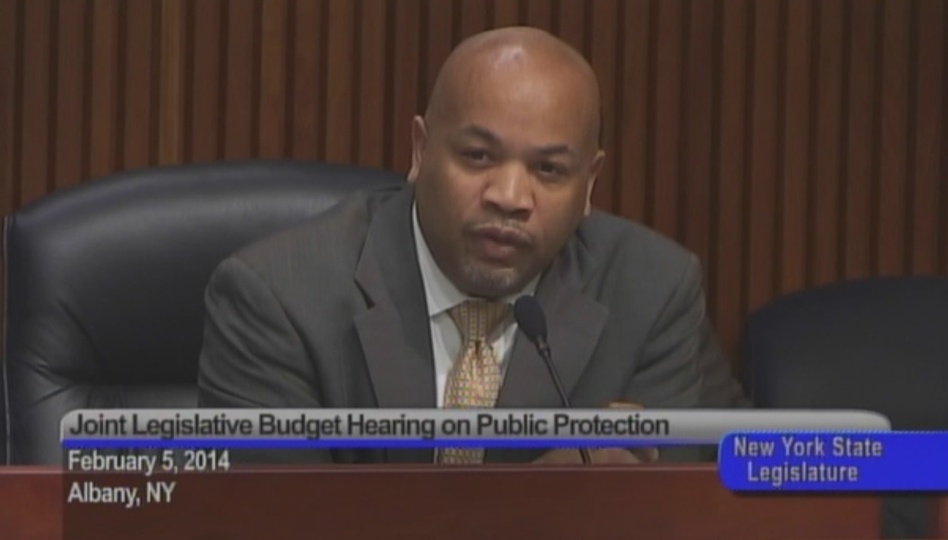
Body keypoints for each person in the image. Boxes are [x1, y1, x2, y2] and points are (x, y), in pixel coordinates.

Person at [197, 26, 749, 464]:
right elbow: (276, 521)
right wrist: (533, 509)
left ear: (589, 184)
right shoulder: (280, 298)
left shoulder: (652, 290)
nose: (509, 197)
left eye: (549, 170)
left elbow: (682, 509)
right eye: (478, 157)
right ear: (420, 151)